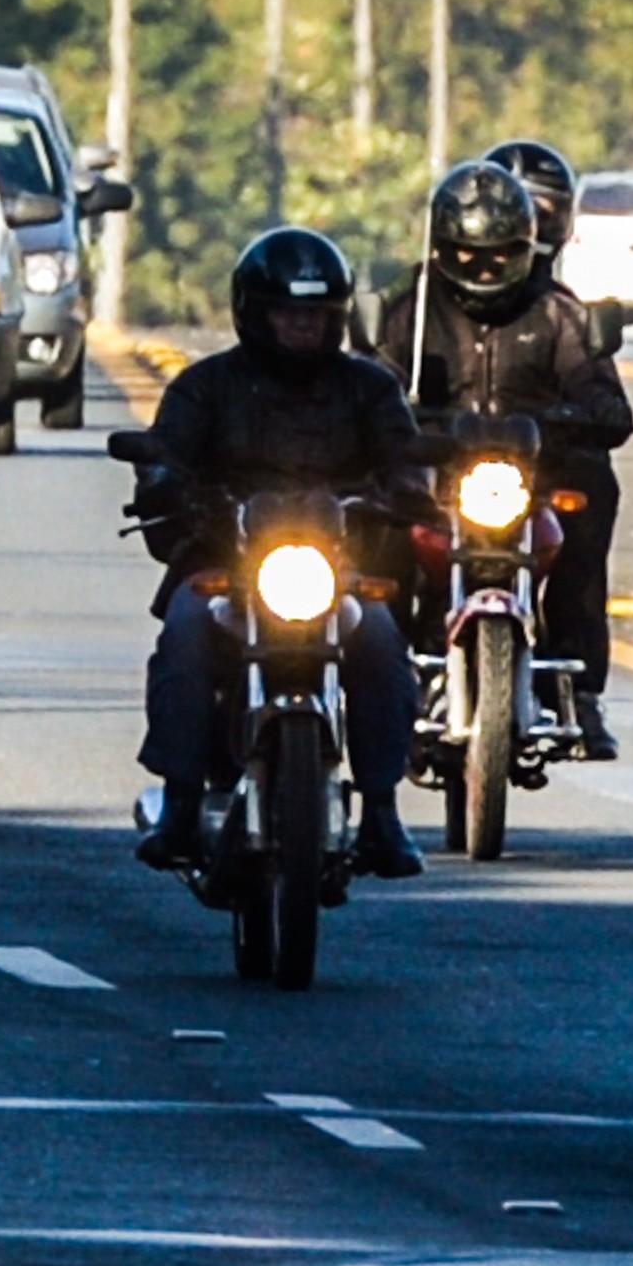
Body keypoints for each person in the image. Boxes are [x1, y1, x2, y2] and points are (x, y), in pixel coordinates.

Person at [130, 228, 428, 879]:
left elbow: (406, 459)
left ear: (339, 317)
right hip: (226, 567)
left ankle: (381, 810)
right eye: (290, 313)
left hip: (333, 571)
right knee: (184, 633)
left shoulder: (371, 388)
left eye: (317, 315)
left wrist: (406, 491)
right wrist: (168, 489)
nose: (303, 326)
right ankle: (181, 803)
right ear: (254, 313)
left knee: (380, 641)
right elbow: (165, 458)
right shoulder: (205, 387)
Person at [372, 142, 633, 759]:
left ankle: (579, 685)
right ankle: (381, 668)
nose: (483, 268)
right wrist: (392, 425)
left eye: (499, 256)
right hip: (436, 472)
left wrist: (581, 415)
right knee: (373, 519)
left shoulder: (557, 314)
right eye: (467, 254)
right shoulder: (407, 311)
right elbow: (367, 380)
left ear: (528, 246)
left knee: (592, 491)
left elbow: (605, 398)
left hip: (532, 473)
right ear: (440, 245)